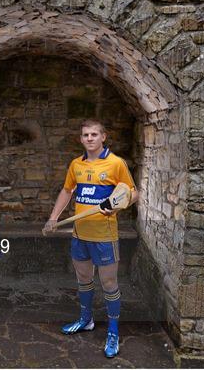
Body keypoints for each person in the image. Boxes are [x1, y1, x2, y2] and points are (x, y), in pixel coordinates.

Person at [43, 119, 138, 358]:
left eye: (94, 134)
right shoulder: (76, 165)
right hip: (79, 234)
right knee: (84, 279)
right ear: (81, 139)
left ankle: (113, 330)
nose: (90, 138)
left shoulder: (116, 163)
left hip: (104, 236)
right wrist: (53, 217)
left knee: (108, 284)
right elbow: (67, 191)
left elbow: (133, 193)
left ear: (103, 137)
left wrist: (115, 208)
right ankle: (86, 320)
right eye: (86, 135)